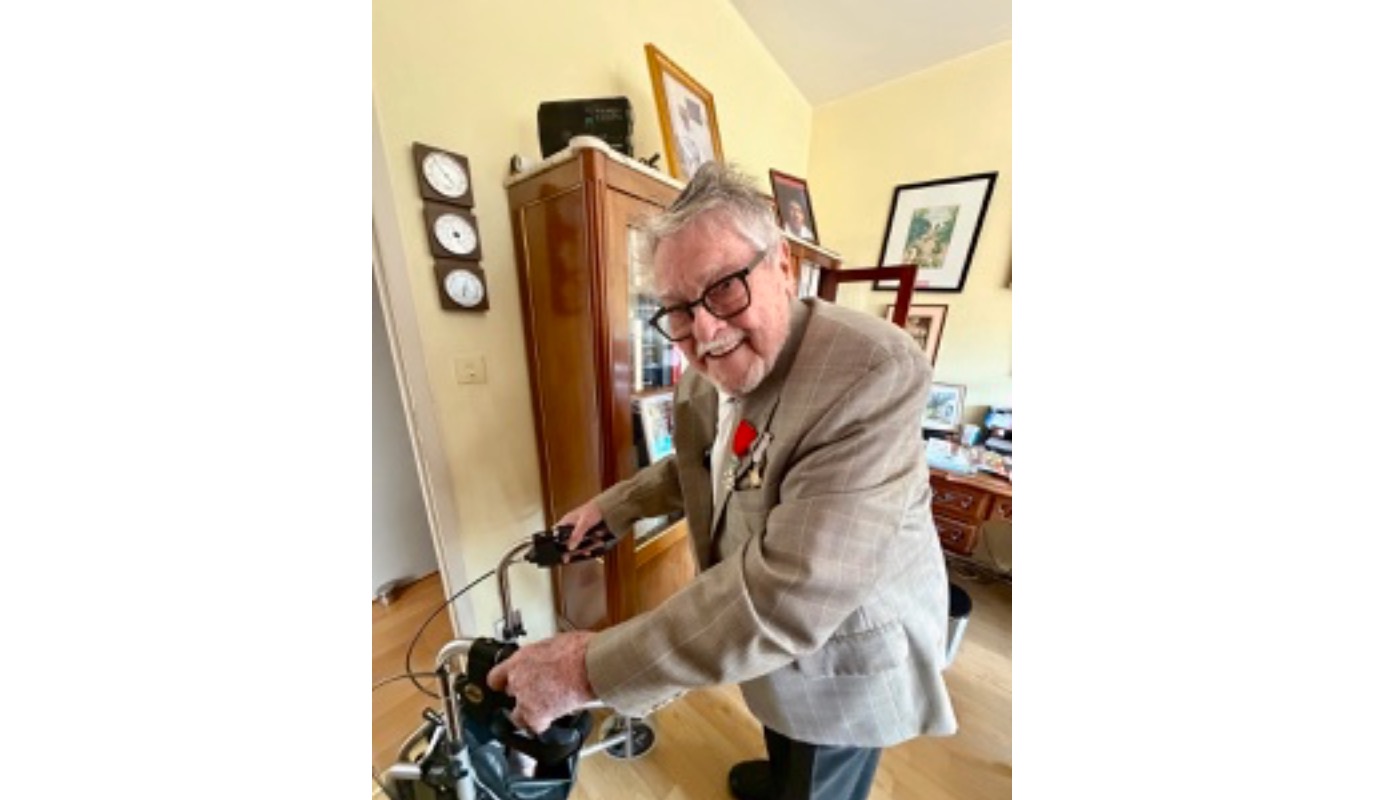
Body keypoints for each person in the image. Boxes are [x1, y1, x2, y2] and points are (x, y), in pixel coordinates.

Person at [487, 162, 957, 800]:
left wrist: (584, 669)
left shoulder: (871, 372)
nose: (704, 332)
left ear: (783, 266)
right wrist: (613, 507)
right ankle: (780, 771)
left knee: (820, 776)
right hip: (773, 655)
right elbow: (701, 464)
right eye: (678, 309)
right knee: (783, 732)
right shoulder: (705, 375)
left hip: (843, 655)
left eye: (725, 288)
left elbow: (788, 596)